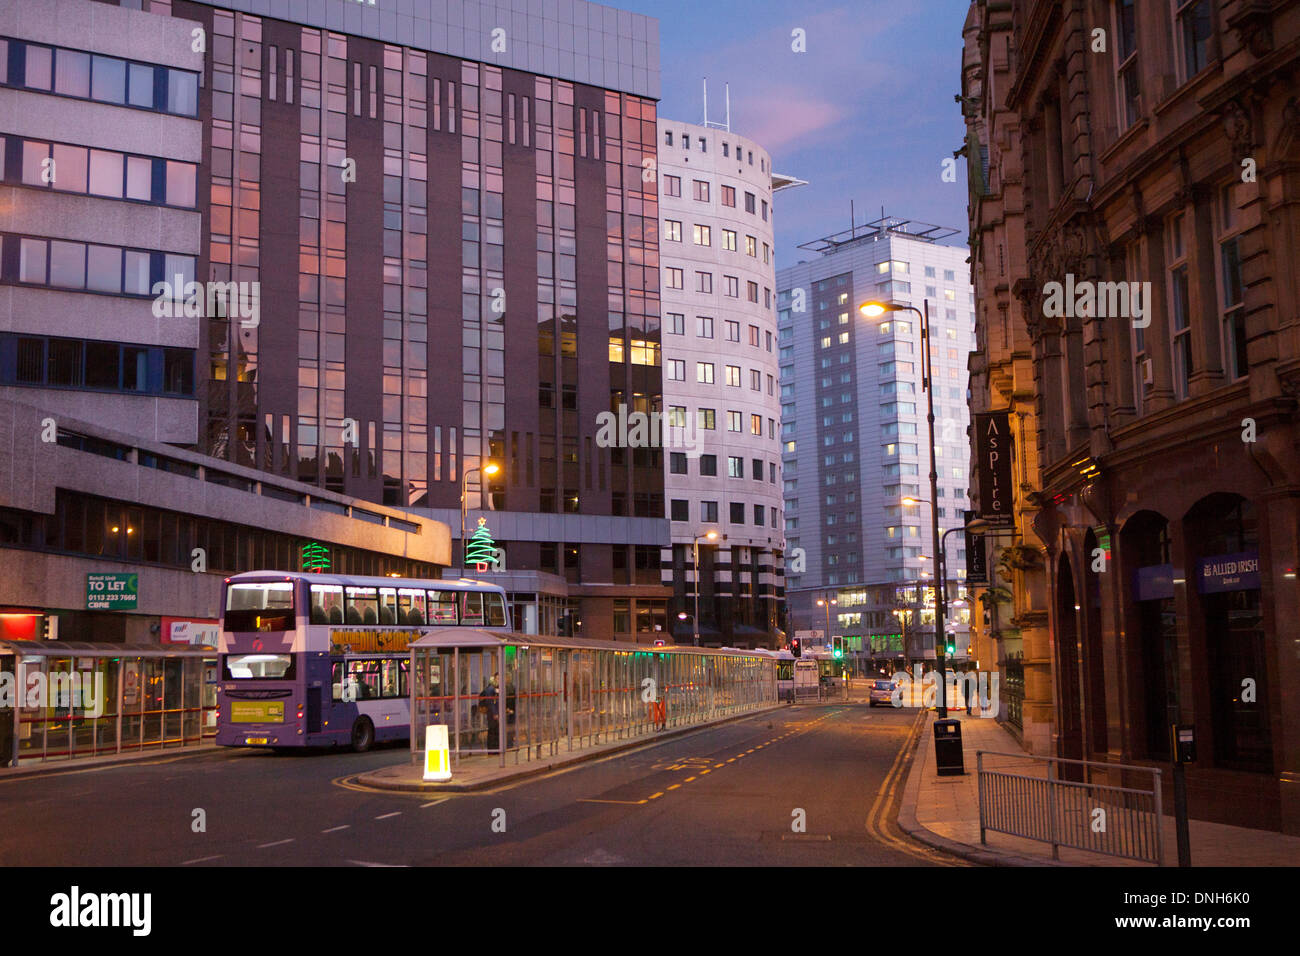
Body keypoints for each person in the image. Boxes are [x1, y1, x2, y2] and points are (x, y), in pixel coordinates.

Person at [479, 672, 500, 750]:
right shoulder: (491, 688)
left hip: (495, 712)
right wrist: (495, 713)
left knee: (495, 730)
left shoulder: (496, 688)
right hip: (492, 713)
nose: (499, 680)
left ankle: (495, 749)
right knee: (493, 731)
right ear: (494, 679)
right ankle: (492, 750)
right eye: (498, 678)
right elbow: (490, 702)